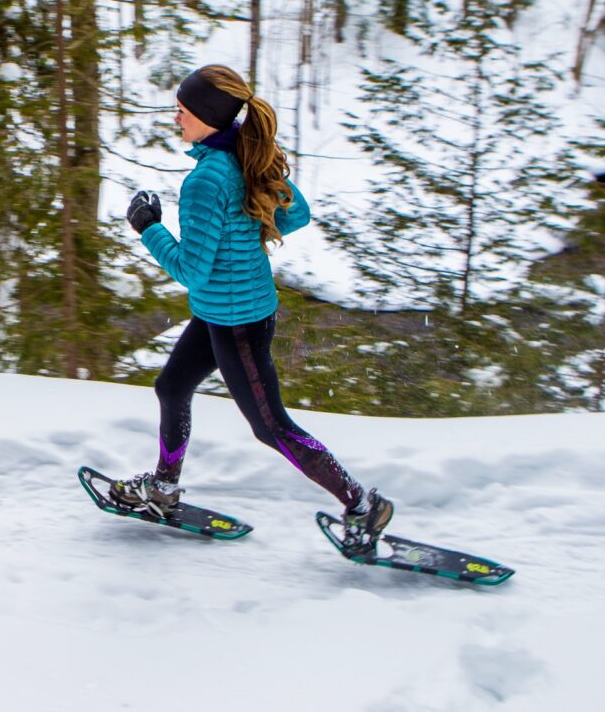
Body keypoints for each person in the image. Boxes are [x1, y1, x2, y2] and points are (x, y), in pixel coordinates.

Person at [110, 64, 393, 554]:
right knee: (171, 385)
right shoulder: (244, 149)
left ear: (205, 116)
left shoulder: (206, 180)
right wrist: (247, 229)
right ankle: (163, 487)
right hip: (225, 309)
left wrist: (148, 227)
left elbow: (191, 271)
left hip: (236, 320)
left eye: (181, 111)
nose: (176, 119)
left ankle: (362, 506)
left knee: (270, 426)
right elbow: (296, 213)